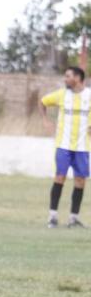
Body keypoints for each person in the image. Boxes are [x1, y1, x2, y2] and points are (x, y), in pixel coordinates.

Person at [39, 66, 90, 228]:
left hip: (83, 146)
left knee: (80, 181)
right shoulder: (62, 94)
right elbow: (42, 102)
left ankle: (73, 218)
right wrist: (45, 120)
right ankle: (52, 216)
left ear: (78, 78)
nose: (65, 79)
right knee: (59, 177)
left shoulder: (89, 95)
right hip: (63, 145)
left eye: (68, 76)